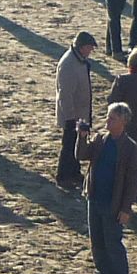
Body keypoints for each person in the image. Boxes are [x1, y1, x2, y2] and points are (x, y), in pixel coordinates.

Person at [78, 104, 137, 274]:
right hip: (95, 197)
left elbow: (132, 182)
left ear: (123, 122)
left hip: (113, 203)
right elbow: (81, 155)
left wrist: (126, 208)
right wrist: (82, 137)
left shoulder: (130, 148)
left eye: (112, 118)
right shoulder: (100, 139)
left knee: (113, 243)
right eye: (108, 117)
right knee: (97, 240)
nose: (107, 121)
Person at [53, 32, 97, 189]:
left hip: (80, 113)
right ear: (82, 47)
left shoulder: (79, 60)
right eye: (89, 47)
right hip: (72, 115)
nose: (91, 51)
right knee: (68, 145)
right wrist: (70, 118)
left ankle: (73, 172)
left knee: (77, 144)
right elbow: (65, 95)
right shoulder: (69, 64)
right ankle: (63, 176)